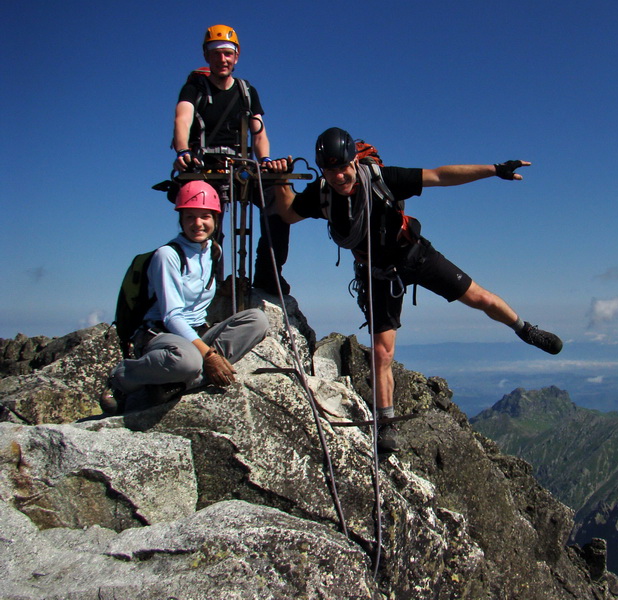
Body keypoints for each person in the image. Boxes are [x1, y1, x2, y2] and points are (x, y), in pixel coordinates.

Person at [272, 127, 563, 452]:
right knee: (383, 353)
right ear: (322, 169)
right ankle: (385, 425)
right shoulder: (322, 194)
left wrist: (494, 170)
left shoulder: (383, 178)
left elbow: (439, 176)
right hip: (377, 273)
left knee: (478, 297)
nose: (340, 176)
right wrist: (281, 180)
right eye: (331, 169)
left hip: (413, 254)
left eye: (343, 166)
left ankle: (525, 330)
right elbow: (287, 212)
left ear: (354, 159)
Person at [101, 181, 269, 413]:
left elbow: (196, 288)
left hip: (197, 333)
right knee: (187, 361)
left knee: (257, 320)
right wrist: (209, 355)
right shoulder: (167, 256)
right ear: (181, 219)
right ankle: (122, 378)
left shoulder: (213, 250)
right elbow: (172, 316)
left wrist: (222, 289)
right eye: (190, 217)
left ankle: (175, 382)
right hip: (161, 335)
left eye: (205, 216)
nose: (198, 224)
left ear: (215, 219)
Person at [171, 24, 291, 296]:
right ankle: (209, 280)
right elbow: (183, 120)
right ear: (206, 56)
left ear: (236, 57)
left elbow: (259, 132)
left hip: (241, 165)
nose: (222, 59)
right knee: (207, 217)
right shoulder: (194, 88)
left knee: (277, 199)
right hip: (204, 164)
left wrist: (266, 160)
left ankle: (269, 272)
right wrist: (182, 151)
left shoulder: (246, 92)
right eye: (216, 54)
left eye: (227, 54)